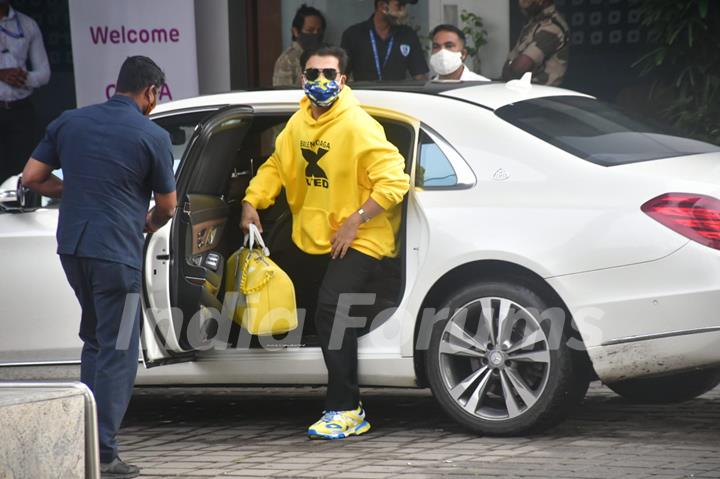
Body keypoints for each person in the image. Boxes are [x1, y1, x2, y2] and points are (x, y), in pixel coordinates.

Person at [241, 46, 409, 439]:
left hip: (364, 236)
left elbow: (394, 181)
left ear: (343, 80)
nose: (320, 82)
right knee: (299, 299)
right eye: (313, 74)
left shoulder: (358, 125)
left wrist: (355, 220)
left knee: (332, 310)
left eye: (329, 74)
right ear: (302, 78)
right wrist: (251, 201)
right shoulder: (298, 124)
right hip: (315, 238)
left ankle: (347, 408)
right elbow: (276, 167)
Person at [21, 56, 177, 479]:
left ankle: (83, 442)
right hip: (117, 256)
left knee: (94, 340)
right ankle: (104, 454)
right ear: (150, 92)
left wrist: (73, 189)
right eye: (155, 98)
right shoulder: (152, 134)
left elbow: (32, 176)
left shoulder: (70, 121)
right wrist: (148, 223)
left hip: (73, 249)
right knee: (120, 348)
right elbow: (168, 205)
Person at [0, 0, 50, 183]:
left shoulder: (27, 24)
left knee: (21, 174)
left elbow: (44, 73)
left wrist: (23, 78)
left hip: (20, 110)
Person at [341, 0, 428, 81]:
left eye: (404, 6)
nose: (403, 12)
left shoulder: (408, 35)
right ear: (382, 6)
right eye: (399, 6)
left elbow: (419, 76)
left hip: (398, 96)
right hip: (363, 96)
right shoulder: (353, 34)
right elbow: (342, 76)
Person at [503, 0, 569, 86]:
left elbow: (518, 70)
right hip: (523, 92)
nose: (521, 3)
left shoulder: (551, 27)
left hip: (541, 95)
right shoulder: (534, 23)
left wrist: (510, 66)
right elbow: (510, 65)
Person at [273, 4, 326, 87]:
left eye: (319, 30)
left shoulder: (326, 55)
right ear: (296, 32)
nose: (316, 34)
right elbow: (282, 94)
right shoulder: (288, 60)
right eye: (310, 30)